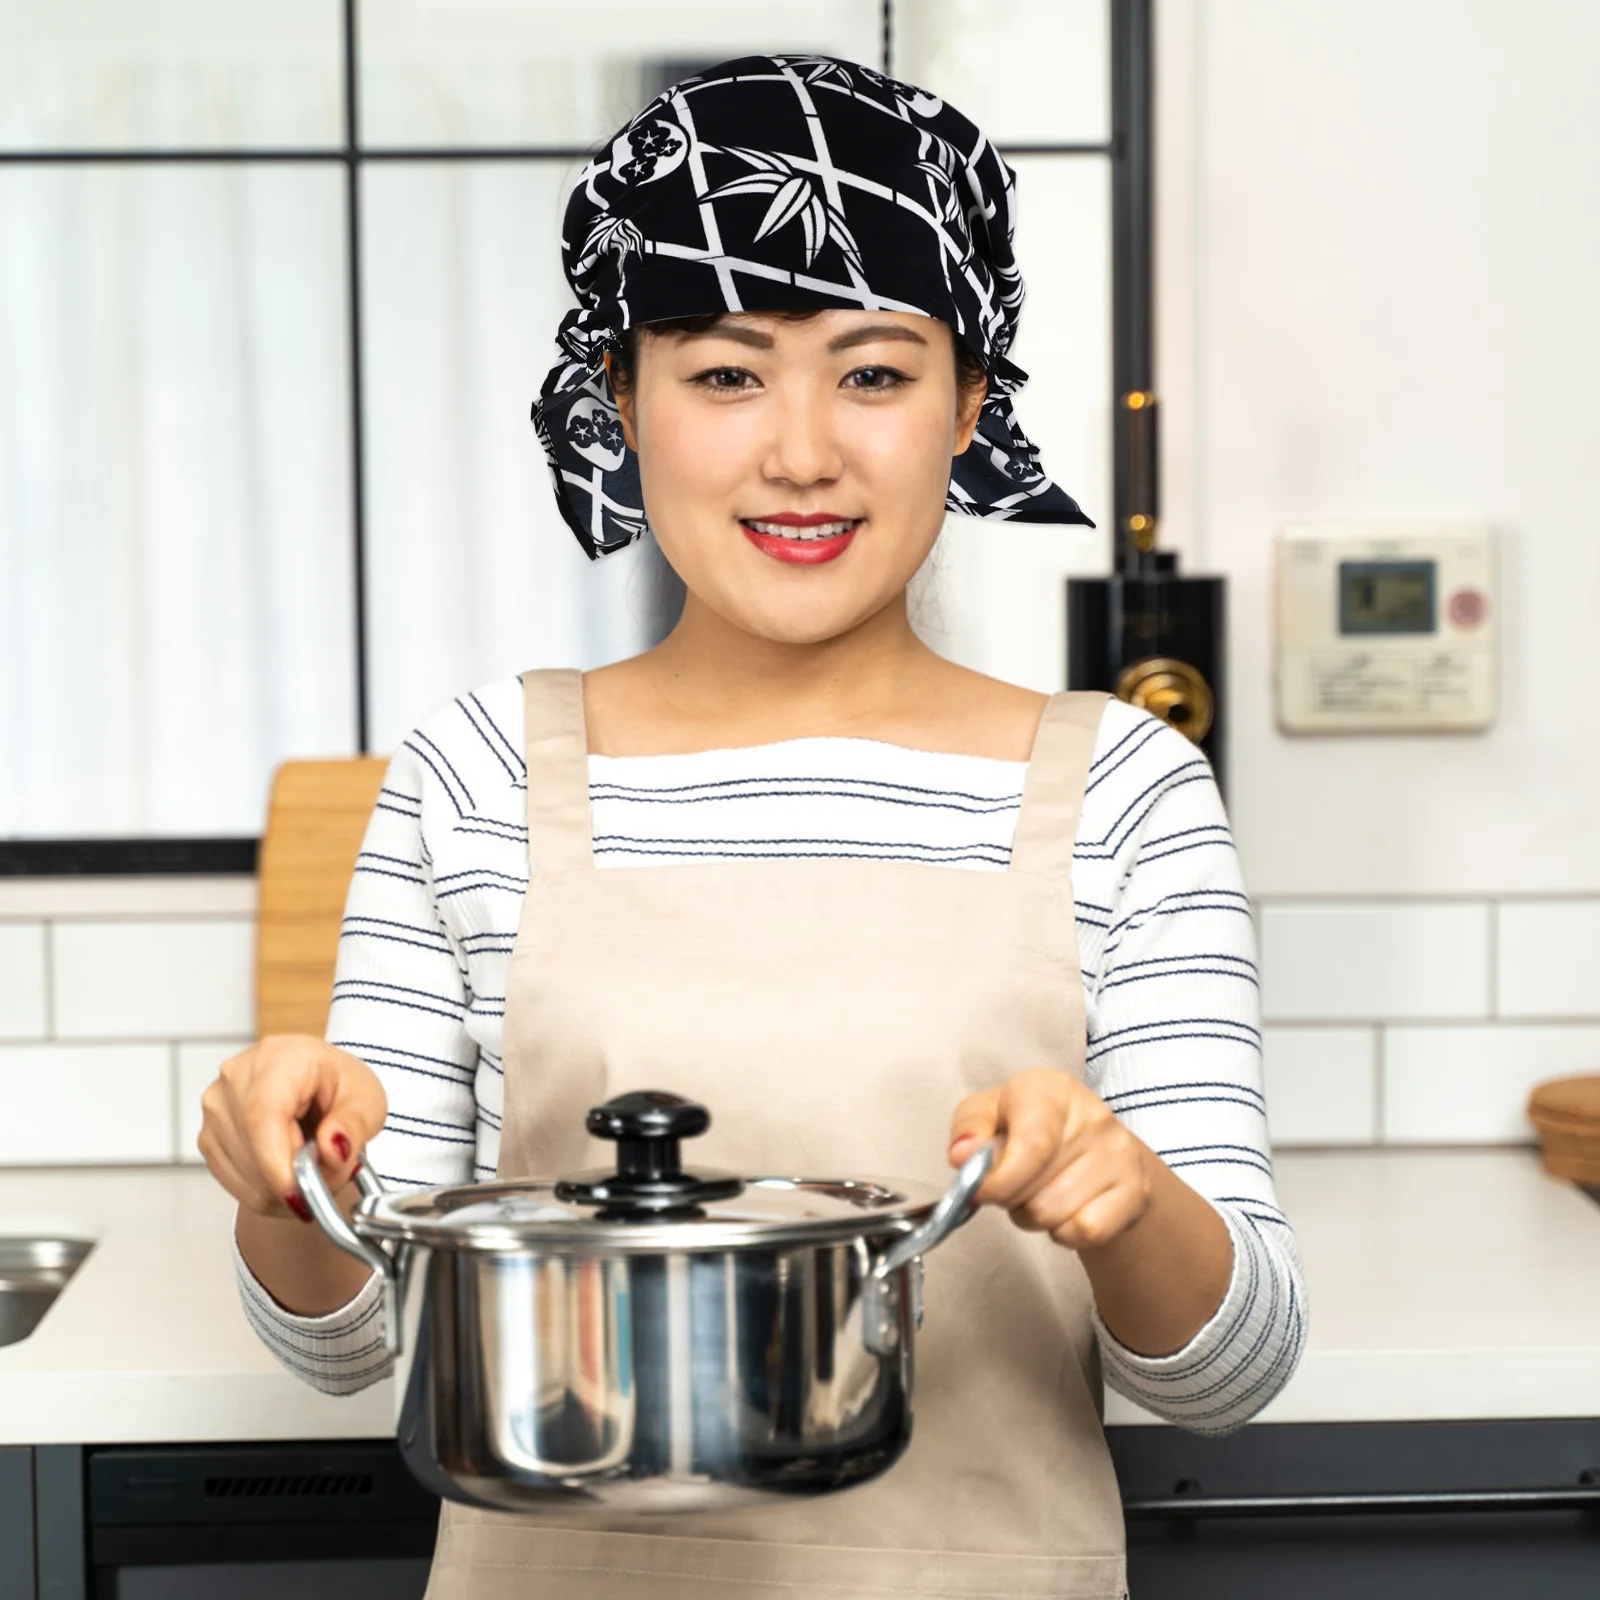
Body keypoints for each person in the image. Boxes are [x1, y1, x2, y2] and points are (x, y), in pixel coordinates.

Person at [200, 53, 1305, 1600]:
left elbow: (1230, 1373)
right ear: (624, 402)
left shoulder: (1126, 793)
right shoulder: (474, 773)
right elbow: (353, 1341)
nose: (800, 452)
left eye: (874, 371)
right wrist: (286, 1185)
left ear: (969, 404)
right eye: (725, 372)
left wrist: (1124, 1196)